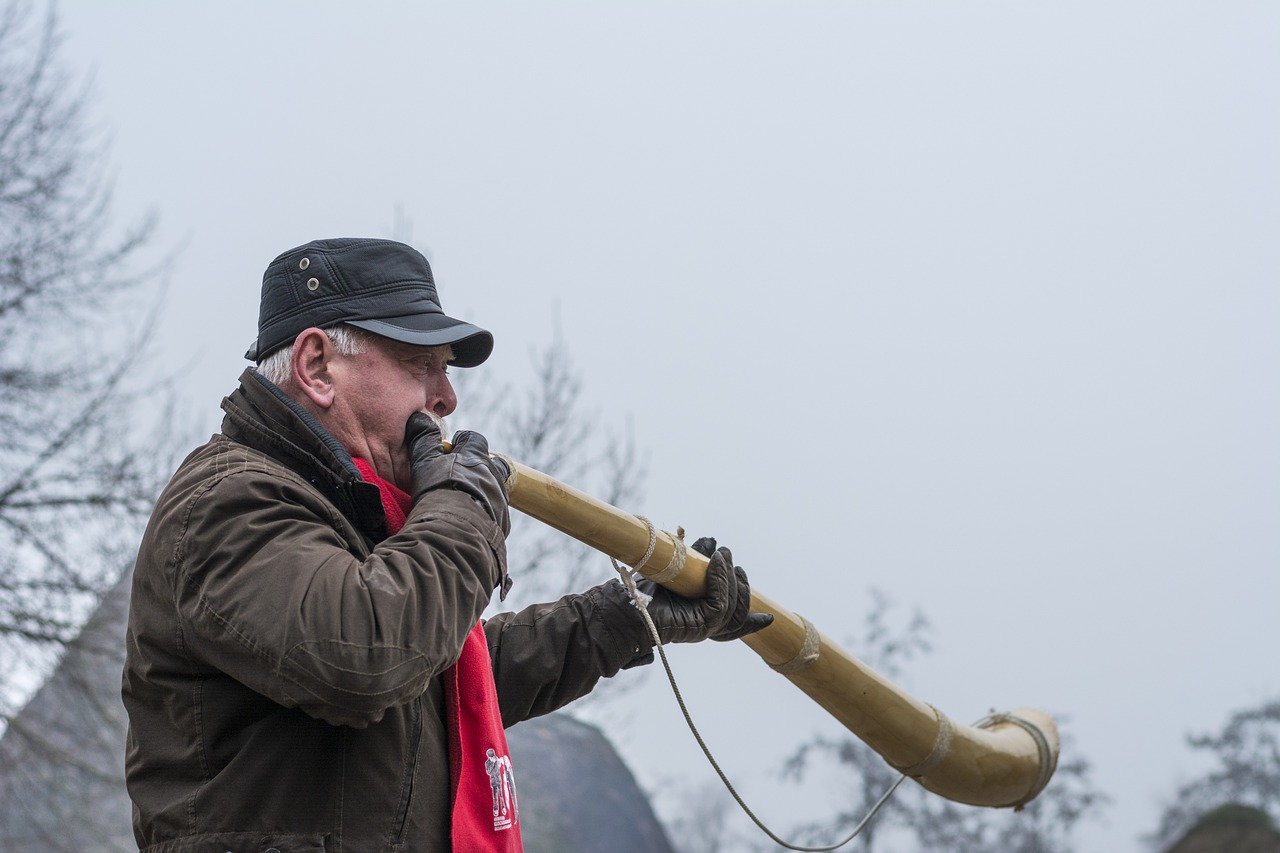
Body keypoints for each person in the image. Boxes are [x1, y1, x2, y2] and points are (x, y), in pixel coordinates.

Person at [121, 237, 772, 853]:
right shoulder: (225, 501)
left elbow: (442, 674)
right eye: (419, 364)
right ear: (317, 366)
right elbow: (367, 653)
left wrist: (620, 620)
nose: (446, 396)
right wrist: (464, 505)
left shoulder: (354, 512)